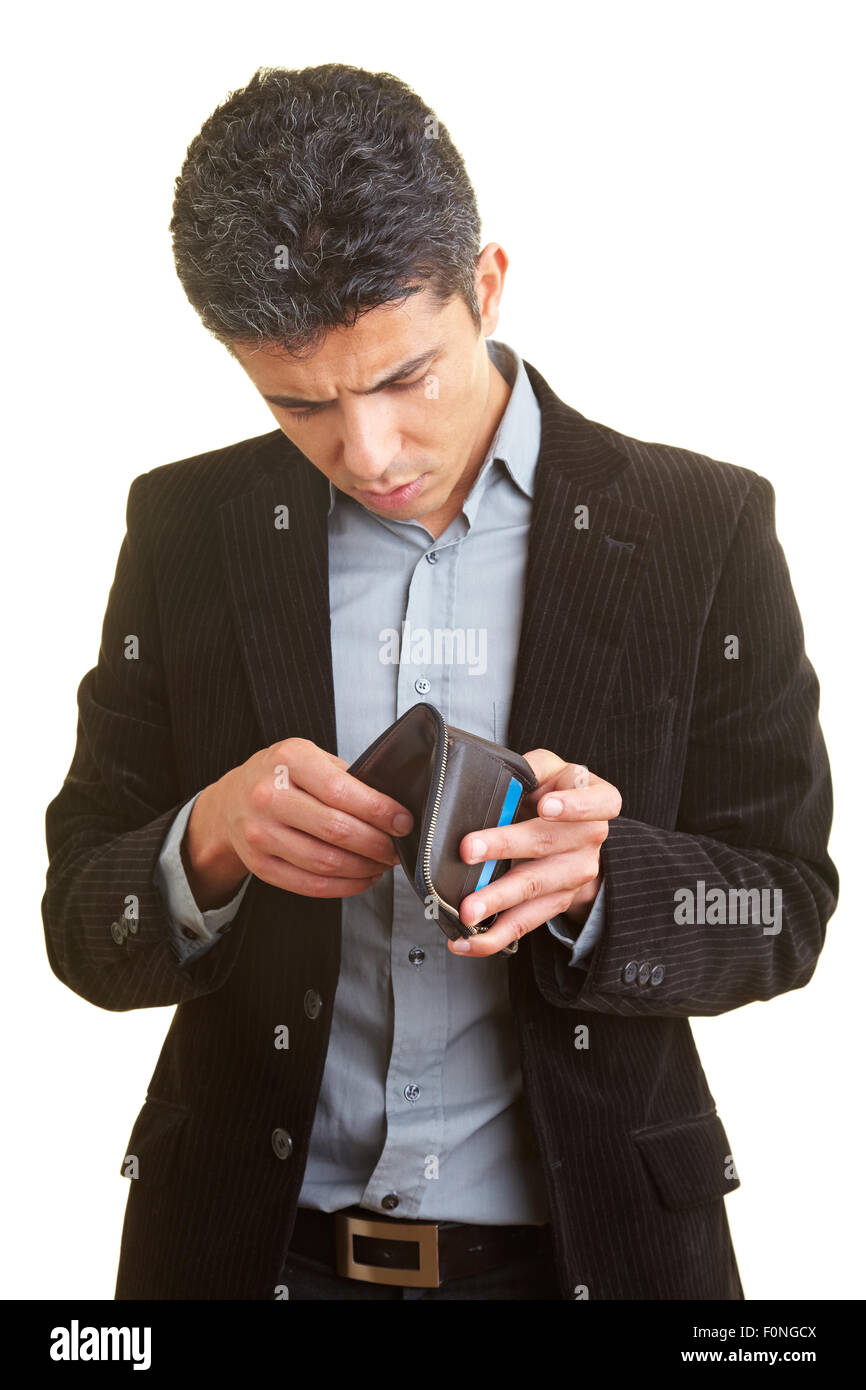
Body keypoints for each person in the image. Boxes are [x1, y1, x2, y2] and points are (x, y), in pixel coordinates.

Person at [42, 62, 838, 1301]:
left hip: (594, 1260)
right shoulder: (185, 526)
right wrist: (206, 841)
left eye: (404, 377)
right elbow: (82, 925)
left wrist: (603, 883)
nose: (366, 452)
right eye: (297, 402)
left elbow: (781, 910)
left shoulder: (702, 525)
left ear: (486, 286)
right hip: (246, 1256)